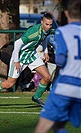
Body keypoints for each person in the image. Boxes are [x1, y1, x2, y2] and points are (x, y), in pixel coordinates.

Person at [0, 13, 55, 107]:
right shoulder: (34, 32)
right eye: (46, 24)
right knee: (9, 83)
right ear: (42, 22)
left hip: (31, 54)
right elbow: (17, 43)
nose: (48, 27)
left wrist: (46, 52)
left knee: (47, 77)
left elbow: (43, 39)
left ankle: (36, 97)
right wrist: (16, 61)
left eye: (50, 24)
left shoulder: (46, 31)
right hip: (20, 56)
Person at [35, 0, 81, 132]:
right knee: (58, 125)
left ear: (66, 13)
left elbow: (60, 60)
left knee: (42, 127)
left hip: (67, 83)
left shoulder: (63, 32)